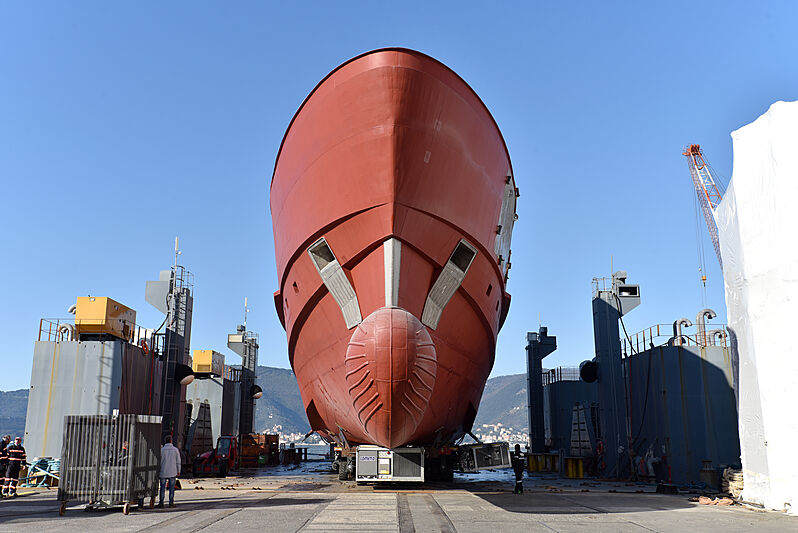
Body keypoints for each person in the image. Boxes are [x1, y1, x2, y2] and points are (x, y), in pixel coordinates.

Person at [158, 435, 181, 508]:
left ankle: (161, 503)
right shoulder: (175, 450)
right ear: (171, 441)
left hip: (163, 472)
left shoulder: (162, 450)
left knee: (162, 488)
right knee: (171, 488)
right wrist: (178, 470)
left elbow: (159, 461)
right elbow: (178, 461)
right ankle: (171, 503)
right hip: (173, 471)